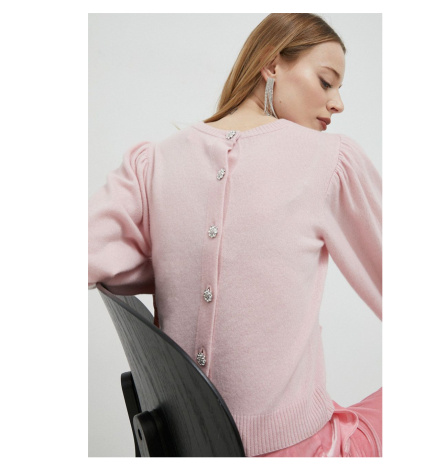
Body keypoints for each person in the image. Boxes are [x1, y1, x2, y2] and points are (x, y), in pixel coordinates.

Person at [88, 13, 382, 457]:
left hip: (185, 447)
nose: (337, 103)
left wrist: (176, 258)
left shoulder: (154, 163)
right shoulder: (328, 161)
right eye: (326, 82)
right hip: (304, 451)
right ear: (272, 63)